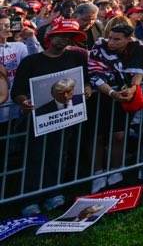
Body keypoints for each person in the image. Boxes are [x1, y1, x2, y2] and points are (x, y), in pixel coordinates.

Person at [11, 18, 92, 216]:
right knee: (35, 157)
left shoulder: (77, 58)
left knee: (59, 154)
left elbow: (85, 82)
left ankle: (53, 194)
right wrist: (24, 102)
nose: (66, 40)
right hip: (38, 120)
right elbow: (17, 92)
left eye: (70, 37)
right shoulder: (31, 62)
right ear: (50, 36)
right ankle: (30, 200)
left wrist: (87, 88)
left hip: (65, 118)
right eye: (62, 35)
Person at [88, 23, 143, 193]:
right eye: (110, 38)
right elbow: (95, 73)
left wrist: (133, 88)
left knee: (119, 135)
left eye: (117, 39)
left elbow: (138, 71)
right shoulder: (99, 46)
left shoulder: (137, 47)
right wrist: (112, 92)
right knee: (96, 136)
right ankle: (97, 175)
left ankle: (116, 172)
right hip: (100, 97)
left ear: (128, 40)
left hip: (123, 96)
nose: (111, 42)